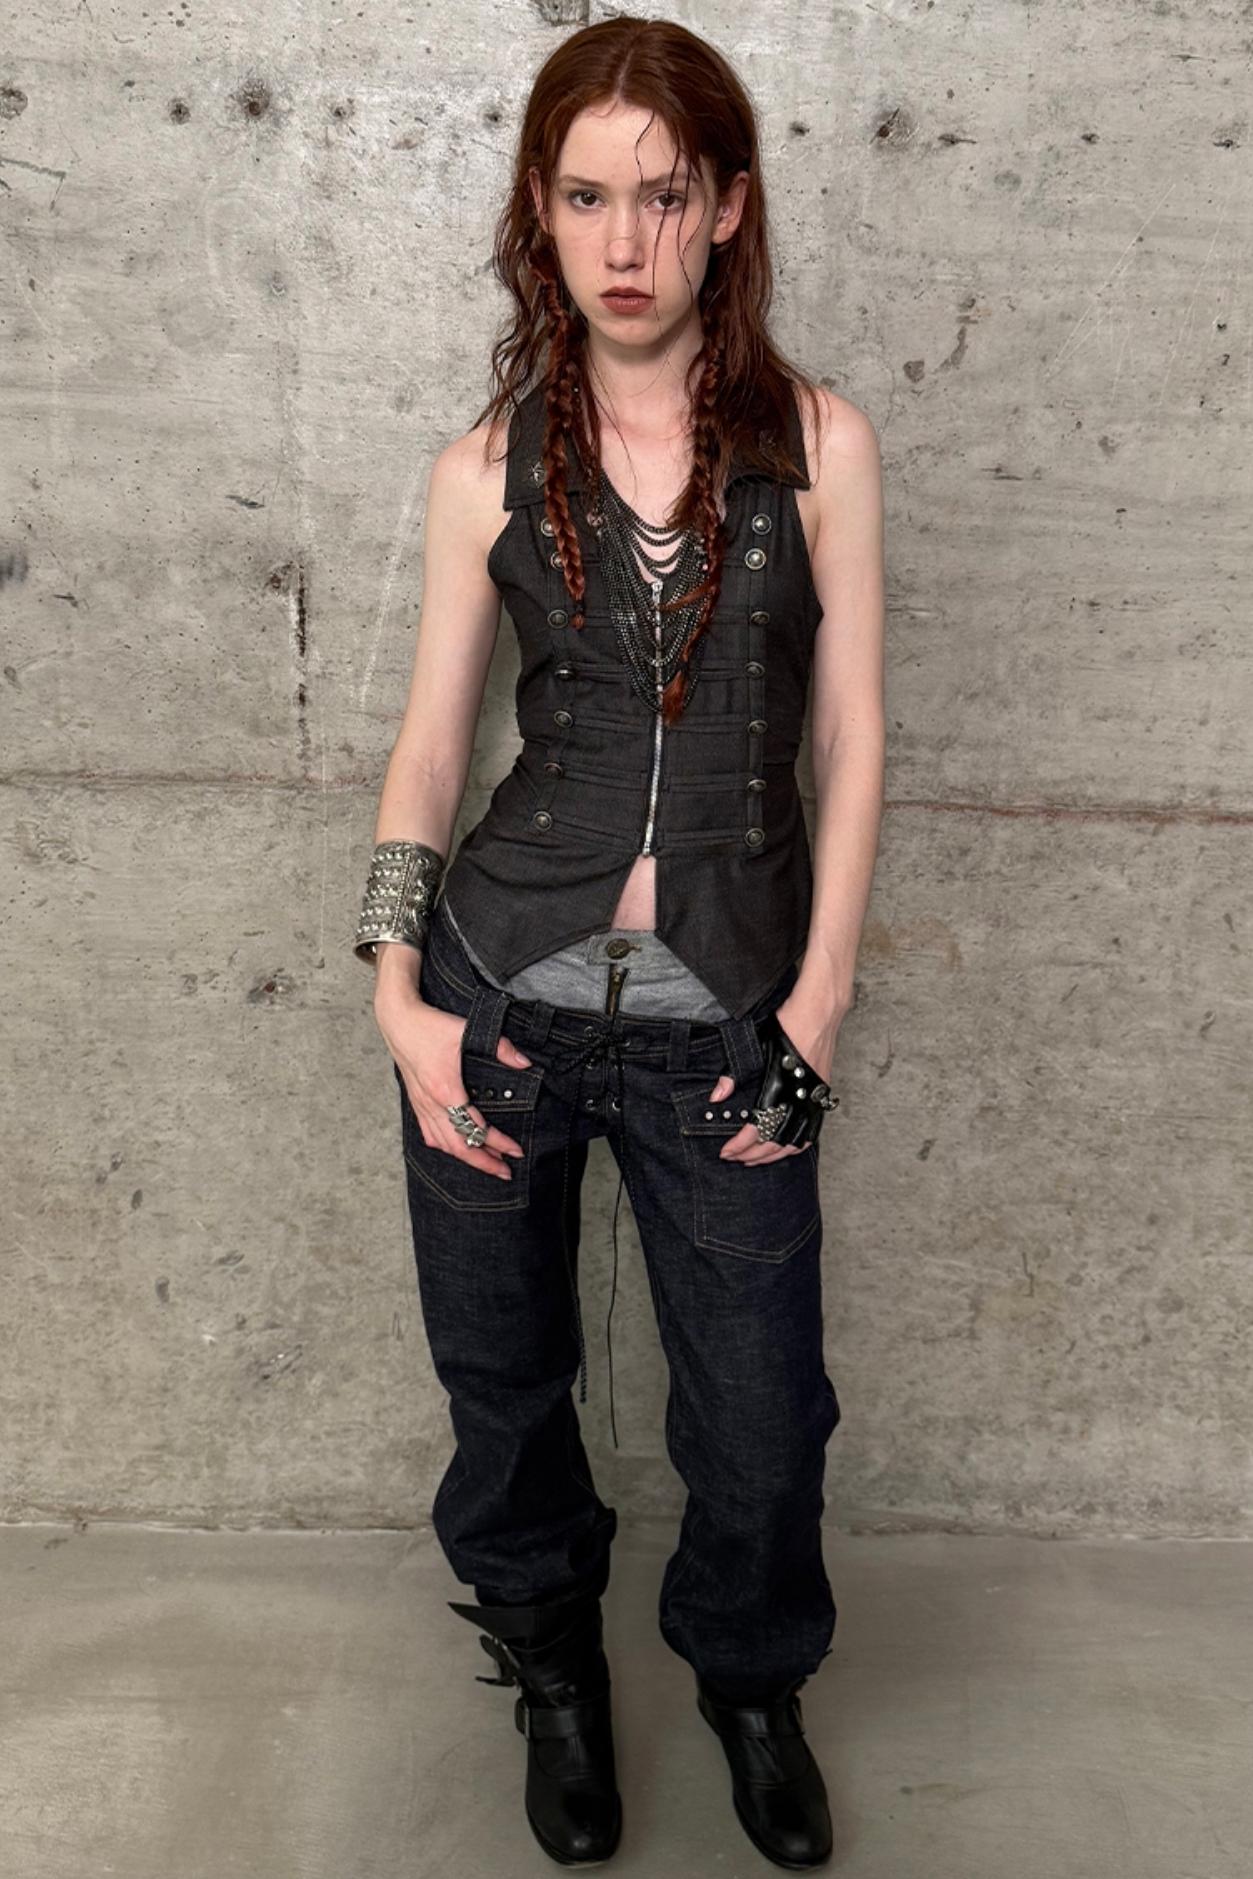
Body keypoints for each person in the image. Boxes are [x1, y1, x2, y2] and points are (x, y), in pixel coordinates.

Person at [354, 15, 884, 1871]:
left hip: (728, 1012)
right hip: (495, 999)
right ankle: (552, 1672)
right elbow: (433, 747)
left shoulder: (817, 445)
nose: (625, 240)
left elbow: (851, 733)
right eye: (587, 199)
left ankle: (748, 1684)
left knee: (759, 1413)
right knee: (503, 1386)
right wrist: (396, 995)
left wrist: (817, 1008)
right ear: (541, 213)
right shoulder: (480, 467)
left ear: (726, 208)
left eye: (663, 196)